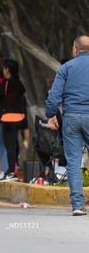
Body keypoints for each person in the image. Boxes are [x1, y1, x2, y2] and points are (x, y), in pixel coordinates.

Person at [45, 35, 89, 216]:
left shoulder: (66, 68)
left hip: (70, 117)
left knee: (73, 162)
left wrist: (51, 114)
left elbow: (54, 95)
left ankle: (78, 205)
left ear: (75, 50)